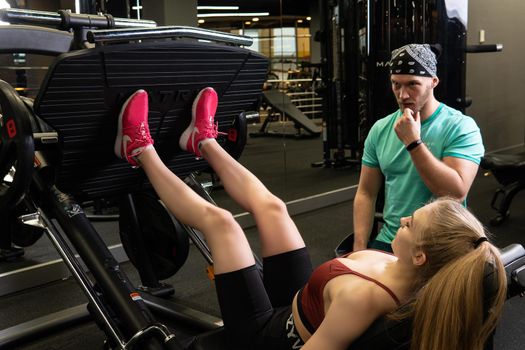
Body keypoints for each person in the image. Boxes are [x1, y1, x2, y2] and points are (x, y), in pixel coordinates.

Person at [114, 88, 505, 350]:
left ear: (421, 255)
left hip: (264, 331)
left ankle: (138, 149)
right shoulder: (407, 267)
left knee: (222, 224)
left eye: (409, 224)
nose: (401, 220)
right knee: (274, 209)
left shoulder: (362, 298)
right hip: (303, 301)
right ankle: (203, 141)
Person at [353, 43, 485, 252]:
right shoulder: (380, 129)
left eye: (412, 84)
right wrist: (359, 248)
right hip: (392, 239)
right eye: (396, 84)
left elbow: (454, 193)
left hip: (442, 243)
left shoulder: (460, 127)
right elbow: (366, 193)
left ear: (433, 82)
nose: (403, 95)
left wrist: (413, 143)